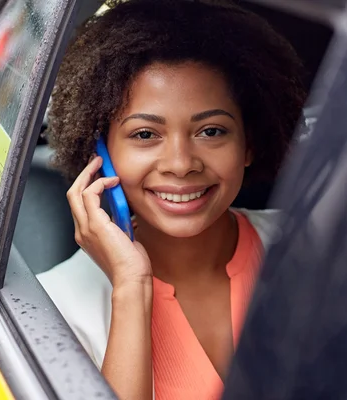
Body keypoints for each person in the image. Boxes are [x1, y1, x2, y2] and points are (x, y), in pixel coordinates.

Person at [37, 0, 306, 398]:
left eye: (211, 131)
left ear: (249, 143)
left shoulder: (304, 245)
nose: (181, 164)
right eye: (145, 134)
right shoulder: (54, 308)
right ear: (100, 155)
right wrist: (130, 287)